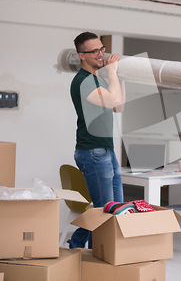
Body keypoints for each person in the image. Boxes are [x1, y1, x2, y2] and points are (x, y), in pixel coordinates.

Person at [68, 31, 125, 249]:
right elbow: (114, 99)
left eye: (101, 49)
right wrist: (111, 73)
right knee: (104, 209)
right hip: (92, 151)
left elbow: (118, 106)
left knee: (114, 207)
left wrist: (119, 77)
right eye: (94, 51)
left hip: (106, 151)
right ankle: (89, 252)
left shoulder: (96, 79)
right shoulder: (82, 82)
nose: (100, 54)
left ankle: (83, 246)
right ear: (81, 55)